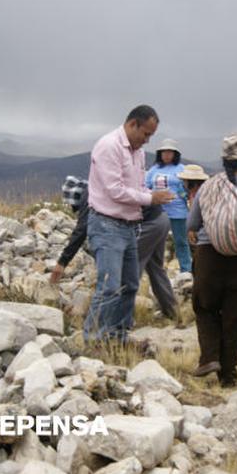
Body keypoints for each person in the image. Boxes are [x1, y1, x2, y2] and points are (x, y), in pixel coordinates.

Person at [83, 105, 174, 342]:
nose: (146, 140)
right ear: (133, 124)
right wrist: (150, 198)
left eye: (150, 136)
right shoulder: (109, 146)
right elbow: (115, 191)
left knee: (130, 284)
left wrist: (152, 194)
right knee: (109, 286)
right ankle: (93, 339)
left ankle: (118, 335)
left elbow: (138, 186)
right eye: (145, 134)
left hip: (129, 225)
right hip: (107, 225)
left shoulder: (138, 152)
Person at [188, 133, 237, 386]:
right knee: (235, 316)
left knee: (205, 306)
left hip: (209, 256)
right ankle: (228, 375)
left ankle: (210, 357)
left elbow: (192, 223)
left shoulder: (208, 186)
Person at [145, 138, 192, 273]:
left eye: (169, 152)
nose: (166, 155)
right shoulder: (153, 170)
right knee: (155, 241)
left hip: (177, 211)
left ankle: (186, 270)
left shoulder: (181, 169)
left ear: (175, 154)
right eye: (164, 152)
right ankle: (154, 269)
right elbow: (146, 187)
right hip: (157, 211)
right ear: (160, 154)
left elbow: (188, 188)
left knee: (181, 241)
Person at [137, 204, 179, 320]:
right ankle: (172, 311)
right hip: (160, 218)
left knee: (131, 268)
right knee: (155, 267)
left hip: (149, 223)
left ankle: (121, 321)